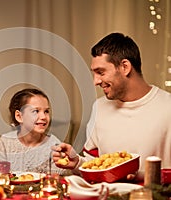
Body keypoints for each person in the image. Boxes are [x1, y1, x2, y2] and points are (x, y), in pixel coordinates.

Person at [52, 32, 171, 180]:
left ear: (125, 67)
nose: (95, 81)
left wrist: (140, 175)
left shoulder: (168, 107)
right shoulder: (99, 108)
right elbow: (95, 164)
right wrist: (77, 163)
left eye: (100, 72)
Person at [0, 88, 65, 174]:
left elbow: (56, 180)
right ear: (19, 116)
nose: (43, 117)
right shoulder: (6, 142)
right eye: (35, 111)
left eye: (46, 111)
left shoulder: (54, 145)